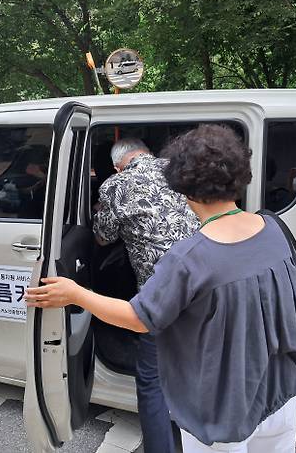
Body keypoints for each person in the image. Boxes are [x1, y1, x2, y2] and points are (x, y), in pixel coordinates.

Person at [26, 125, 296, 453]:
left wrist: (76, 294)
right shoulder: (273, 228)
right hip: (281, 394)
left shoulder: (191, 257)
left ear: (183, 184)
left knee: (152, 379)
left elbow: (139, 317)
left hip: (221, 410)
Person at [91, 137, 199, 452]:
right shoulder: (185, 169)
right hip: (207, 288)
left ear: (116, 165)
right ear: (147, 152)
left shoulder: (116, 185)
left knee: (153, 382)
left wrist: (102, 211)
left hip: (161, 300)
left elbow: (101, 238)